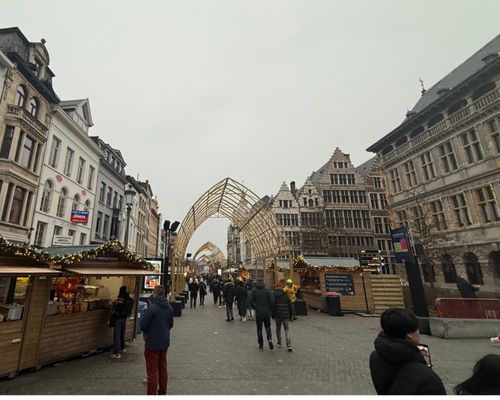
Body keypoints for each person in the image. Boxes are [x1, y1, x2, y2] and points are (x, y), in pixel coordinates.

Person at [369, 308, 446, 395]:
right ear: (409, 335)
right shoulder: (426, 377)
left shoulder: (375, 356)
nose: (419, 332)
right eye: (417, 329)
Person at [140, 285, 174, 395]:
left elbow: (143, 325)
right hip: (164, 342)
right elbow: (171, 324)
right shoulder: (169, 307)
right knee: (163, 368)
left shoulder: (152, 308)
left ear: (155, 294)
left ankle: (151, 394)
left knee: (152, 371)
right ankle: (162, 392)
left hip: (152, 343)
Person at [250, 279, 275, 351]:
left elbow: (250, 301)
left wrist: (255, 307)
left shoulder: (254, 290)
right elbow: (272, 301)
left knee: (259, 329)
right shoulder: (267, 290)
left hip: (259, 312)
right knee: (267, 327)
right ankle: (269, 339)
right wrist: (270, 309)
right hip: (267, 312)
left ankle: (261, 345)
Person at [110, 286, 133, 359]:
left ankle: (116, 352)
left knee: (117, 334)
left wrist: (115, 305)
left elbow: (118, 308)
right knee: (122, 333)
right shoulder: (129, 298)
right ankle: (122, 348)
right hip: (124, 318)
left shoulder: (120, 299)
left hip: (119, 318)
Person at [273, 282, 294, 352]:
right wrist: (292, 314)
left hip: (278, 315)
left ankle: (279, 342)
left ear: (276, 287)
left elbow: (273, 306)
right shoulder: (286, 295)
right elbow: (290, 305)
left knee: (278, 329)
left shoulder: (274, 295)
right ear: (282, 288)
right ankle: (289, 345)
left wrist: (273, 315)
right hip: (286, 315)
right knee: (287, 329)